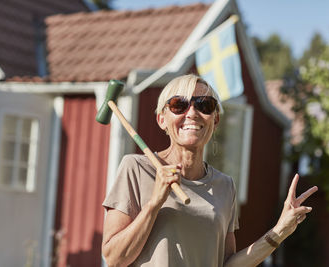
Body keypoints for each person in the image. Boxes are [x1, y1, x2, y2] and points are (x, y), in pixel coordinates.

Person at [101, 74, 318, 267]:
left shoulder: (225, 186)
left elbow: (228, 265)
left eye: (204, 105)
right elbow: (114, 259)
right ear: (162, 119)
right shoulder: (137, 169)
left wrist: (280, 231)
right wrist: (153, 204)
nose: (192, 113)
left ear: (215, 121)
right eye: (179, 105)